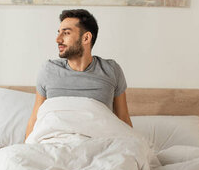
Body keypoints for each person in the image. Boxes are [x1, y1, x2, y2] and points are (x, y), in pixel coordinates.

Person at [25, 9, 132, 139]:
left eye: (66, 33)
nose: (58, 39)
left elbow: (123, 119)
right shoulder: (48, 70)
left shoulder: (111, 70)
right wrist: (26, 149)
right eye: (59, 33)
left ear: (86, 38)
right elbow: (35, 119)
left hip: (99, 145)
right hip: (54, 145)